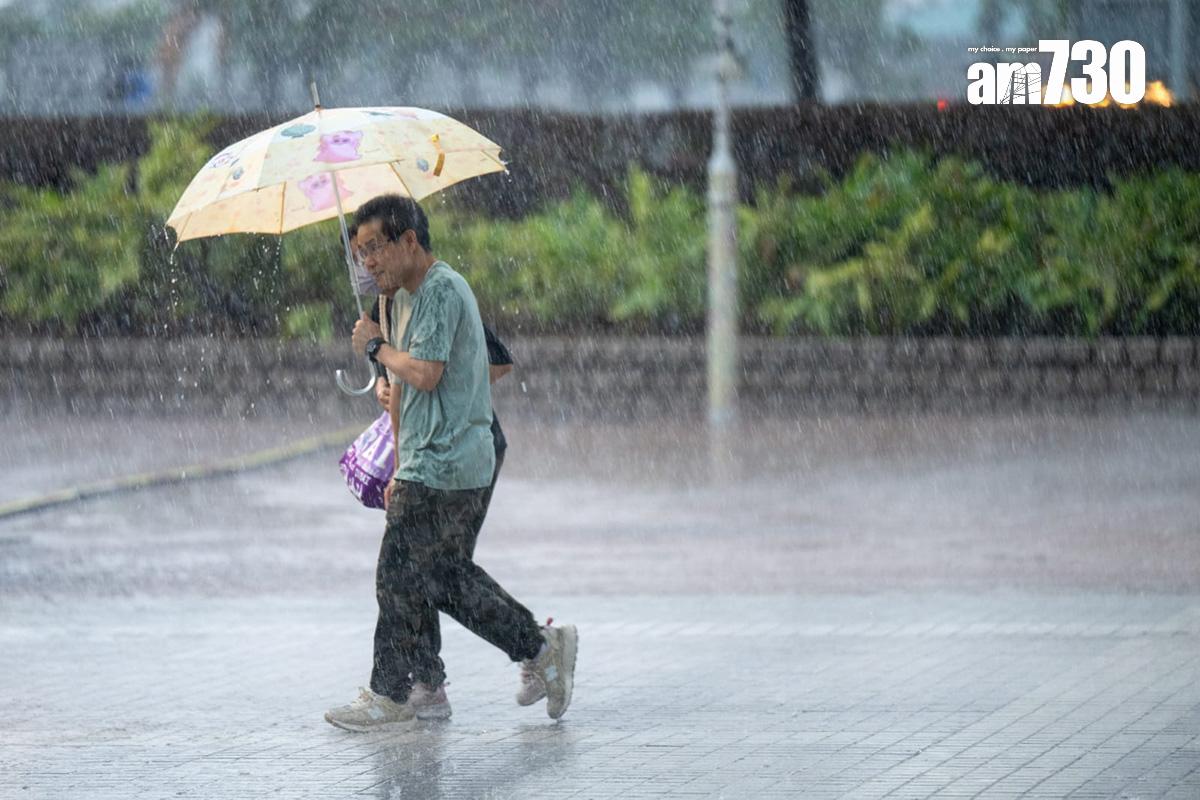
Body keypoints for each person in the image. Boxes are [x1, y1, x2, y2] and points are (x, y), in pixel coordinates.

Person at [325, 195, 577, 731]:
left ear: (408, 241)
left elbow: (429, 373)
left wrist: (376, 350)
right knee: (440, 580)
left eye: (374, 249)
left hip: (451, 459)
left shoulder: (440, 288)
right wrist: (396, 463)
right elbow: (405, 385)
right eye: (359, 254)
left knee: (396, 577)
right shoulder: (393, 302)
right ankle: (536, 647)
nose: (367, 263)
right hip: (422, 460)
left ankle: (390, 694)